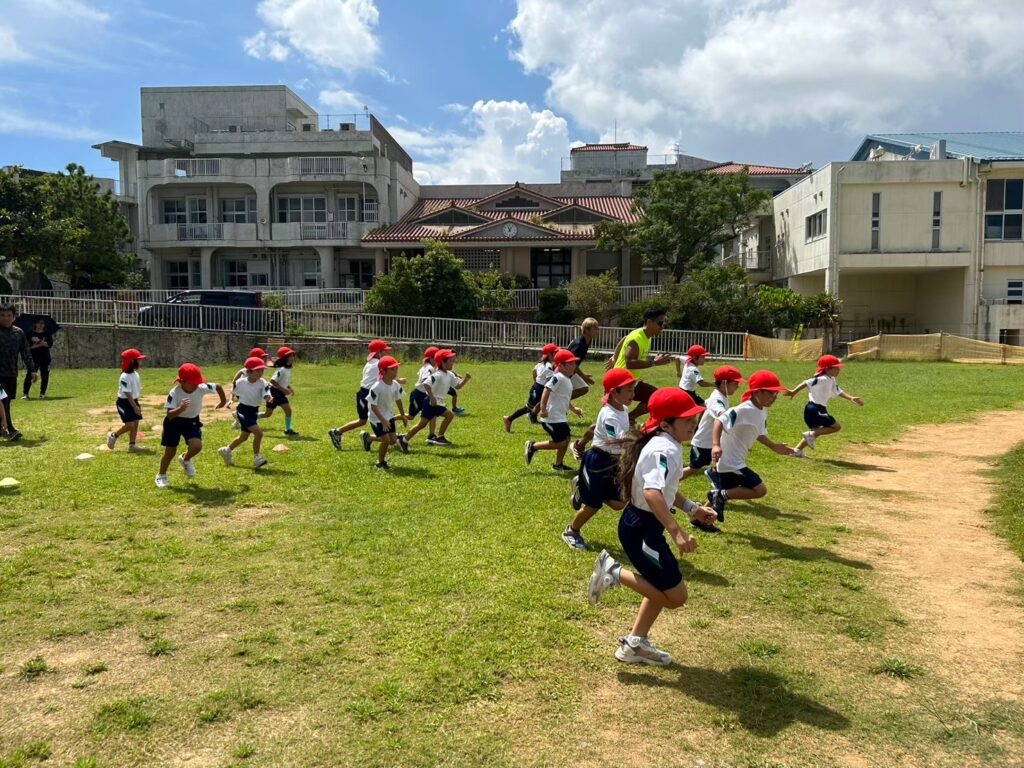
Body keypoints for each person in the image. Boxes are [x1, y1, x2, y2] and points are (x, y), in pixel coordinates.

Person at [587, 388, 718, 666]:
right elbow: (652, 493)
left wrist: (692, 509)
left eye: (694, 418)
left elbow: (666, 490)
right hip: (642, 530)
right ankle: (613, 572)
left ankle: (635, 643)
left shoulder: (664, 442)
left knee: (661, 587)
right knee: (676, 597)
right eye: (686, 421)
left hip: (642, 526)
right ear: (665, 424)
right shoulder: (665, 448)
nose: (693, 425)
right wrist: (677, 531)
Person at [706, 370, 798, 521]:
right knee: (759, 490)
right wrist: (716, 445)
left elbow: (758, 433)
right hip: (731, 462)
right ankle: (718, 496)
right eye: (771, 393)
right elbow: (719, 421)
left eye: (776, 394)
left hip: (734, 461)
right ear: (756, 392)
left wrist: (774, 446)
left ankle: (701, 519)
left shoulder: (762, 410)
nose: (774, 397)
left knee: (722, 492)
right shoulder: (743, 409)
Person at [561, 368, 637, 550]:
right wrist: (640, 442)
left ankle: (584, 486)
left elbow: (625, 433)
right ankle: (571, 531)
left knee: (619, 503)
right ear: (613, 393)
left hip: (613, 462)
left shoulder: (623, 409)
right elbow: (618, 441)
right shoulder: (609, 415)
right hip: (598, 462)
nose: (632, 394)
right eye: (628, 390)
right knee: (592, 506)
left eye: (633, 389)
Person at [681, 365, 745, 533]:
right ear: (724, 383)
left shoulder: (720, 396)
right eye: (735, 383)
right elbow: (721, 415)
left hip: (712, 445)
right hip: (703, 444)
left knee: (721, 478)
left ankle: (704, 515)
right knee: (693, 469)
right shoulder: (718, 399)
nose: (737, 387)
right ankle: (667, 482)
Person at [155, 364, 227, 489]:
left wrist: (223, 401)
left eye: (197, 383)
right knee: (170, 452)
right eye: (192, 383)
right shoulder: (175, 393)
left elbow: (218, 387)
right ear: (182, 381)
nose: (195, 385)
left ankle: (185, 459)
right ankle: (161, 475)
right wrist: (180, 409)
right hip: (174, 422)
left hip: (191, 421)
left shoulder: (201, 387)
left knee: (197, 446)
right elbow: (170, 415)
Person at [786, 354, 864, 457]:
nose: (838, 370)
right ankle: (810, 436)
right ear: (827, 369)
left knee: (814, 433)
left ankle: (796, 451)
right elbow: (806, 382)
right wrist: (793, 392)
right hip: (816, 409)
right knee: (836, 427)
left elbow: (837, 391)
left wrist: (850, 398)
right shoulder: (823, 379)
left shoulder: (830, 379)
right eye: (836, 368)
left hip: (811, 409)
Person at [605, 307, 674, 421]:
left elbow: (624, 339)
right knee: (610, 416)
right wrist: (654, 363)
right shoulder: (637, 338)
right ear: (649, 322)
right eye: (660, 323)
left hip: (631, 381)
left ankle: (630, 418)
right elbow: (630, 363)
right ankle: (587, 438)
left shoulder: (646, 336)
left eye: (664, 324)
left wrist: (614, 356)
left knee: (653, 397)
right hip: (619, 382)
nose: (662, 327)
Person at [525, 349, 583, 472]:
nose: (574, 366)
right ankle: (533, 446)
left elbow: (564, 398)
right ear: (560, 366)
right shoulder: (558, 377)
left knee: (567, 439)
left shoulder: (566, 379)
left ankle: (558, 465)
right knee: (561, 442)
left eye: (574, 363)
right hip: (551, 418)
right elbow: (546, 390)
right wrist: (543, 408)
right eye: (570, 364)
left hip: (560, 417)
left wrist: (574, 409)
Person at [328, 339, 391, 449]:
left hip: (369, 393)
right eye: (384, 351)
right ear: (378, 352)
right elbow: (386, 376)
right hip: (366, 394)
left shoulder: (371, 363)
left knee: (365, 420)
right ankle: (338, 432)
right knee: (369, 419)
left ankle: (339, 432)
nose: (386, 353)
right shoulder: (376, 364)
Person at [404, 349, 471, 446]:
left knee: (425, 424)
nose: (453, 363)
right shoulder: (438, 374)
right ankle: (404, 440)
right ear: (442, 362)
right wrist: (432, 397)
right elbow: (426, 384)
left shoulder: (450, 374)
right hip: (431, 403)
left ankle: (438, 437)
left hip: (438, 403)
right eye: (450, 361)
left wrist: (466, 379)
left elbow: (458, 386)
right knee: (422, 424)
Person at [219, 357, 273, 470]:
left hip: (254, 411)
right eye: (257, 370)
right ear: (248, 371)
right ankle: (257, 459)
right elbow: (233, 392)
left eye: (262, 370)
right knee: (259, 434)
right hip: (243, 411)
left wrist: (268, 398)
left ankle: (226, 450)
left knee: (243, 437)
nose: (261, 372)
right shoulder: (240, 382)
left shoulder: (263, 382)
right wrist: (230, 400)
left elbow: (266, 392)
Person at [360, 355, 410, 470]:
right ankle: (381, 463)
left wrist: (403, 416)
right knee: (386, 440)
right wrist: (383, 421)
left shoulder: (396, 384)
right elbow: (373, 406)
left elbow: (398, 400)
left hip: (389, 416)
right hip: (377, 418)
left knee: (392, 441)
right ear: (383, 371)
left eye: (396, 368)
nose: (396, 371)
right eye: (392, 369)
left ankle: (368, 438)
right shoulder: (377, 387)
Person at [0, 304, 37, 442]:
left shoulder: (18, 333)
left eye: (9, 315)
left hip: (11, 373)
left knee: (7, 401)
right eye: (2, 315)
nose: (5, 318)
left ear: (14, 317)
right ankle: (10, 429)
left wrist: (32, 369)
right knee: (3, 400)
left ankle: (2, 428)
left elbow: (26, 352)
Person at [503, 343, 557, 432]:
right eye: (555, 353)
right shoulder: (548, 367)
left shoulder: (541, 364)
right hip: (539, 389)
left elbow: (534, 371)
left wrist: (536, 382)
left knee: (541, 405)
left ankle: (537, 419)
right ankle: (509, 419)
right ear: (550, 354)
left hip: (537, 387)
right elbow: (549, 382)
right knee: (528, 408)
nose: (556, 355)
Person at [107, 348, 147, 452]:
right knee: (130, 424)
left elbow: (135, 392)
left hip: (134, 401)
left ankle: (132, 445)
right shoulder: (124, 376)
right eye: (138, 360)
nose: (141, 362)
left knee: (136, 423)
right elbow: (127, 393)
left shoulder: (136, 374)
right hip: (124, 403)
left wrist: (136, 404)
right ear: (132, 362)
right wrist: (135, 407)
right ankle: (114, 436)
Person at [261, 346, 298, 436]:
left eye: (293, 356)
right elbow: (272, 381)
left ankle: (288, 430)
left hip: (279, 392)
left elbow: (283, 382)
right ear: (285, 358)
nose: (293, 358)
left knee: (269, 414)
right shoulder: (281, 370)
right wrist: (283, 390)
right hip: (275, 392)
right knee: (284, 411)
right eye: (290, 356)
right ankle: (288, 430)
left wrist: (289, 388)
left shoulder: (288, 369)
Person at [22, 319, 53, 399]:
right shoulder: (29, 334)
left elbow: (49, 344)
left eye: (43, 323)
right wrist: (35, 346)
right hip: (33, 358)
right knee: (30, 375)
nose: (41, 325)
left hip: (45, 358)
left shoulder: (47, 334)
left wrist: (43, 343)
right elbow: (27, 347)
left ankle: (42, 393)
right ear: (35, 324)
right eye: (39, 323)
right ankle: (25, 394)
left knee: (45, 375)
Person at [408, 346, 439, 420]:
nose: (438, 361)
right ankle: (391, 419)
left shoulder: (426, 366)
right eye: (437, 359)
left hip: (424, 394)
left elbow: (419, 374)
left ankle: (432, 432)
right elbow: (425, 380)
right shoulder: (429, 368)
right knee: (410, 417)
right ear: (431, 359)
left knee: (432, 413)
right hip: (418, 396)